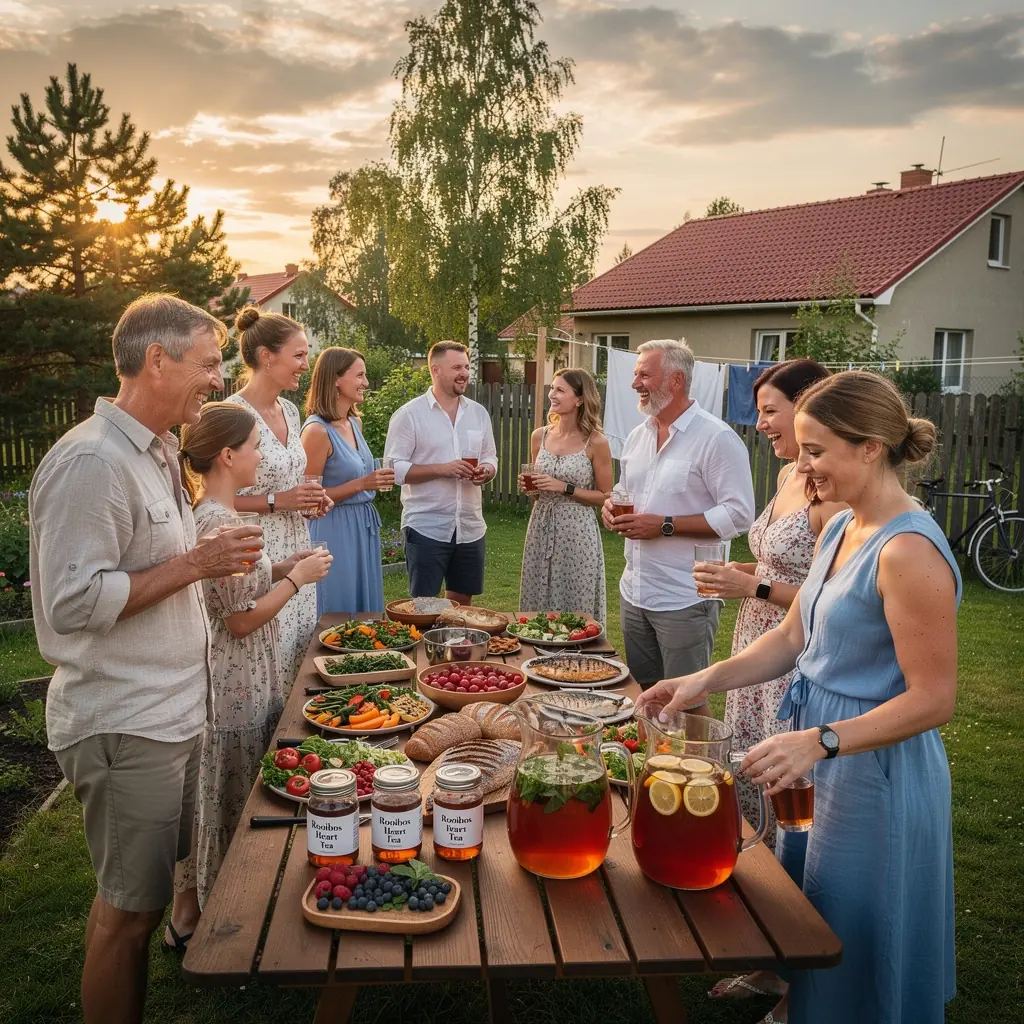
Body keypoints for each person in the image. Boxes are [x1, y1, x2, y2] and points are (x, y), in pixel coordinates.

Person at [637, 370, 961, 1024]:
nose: (803, 467)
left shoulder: (907, 549)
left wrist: (822, 741)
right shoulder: (844, 528)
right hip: (816, 752)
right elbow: (793, 635)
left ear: (870, 447)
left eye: (817, 451)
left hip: (871, 768)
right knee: (810, 904)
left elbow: (934, 699)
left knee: (856, 928)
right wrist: (706, 679)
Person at [28, 294, 263, 1024]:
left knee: (145, 902)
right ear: (155, 360)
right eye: (207, 363)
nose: (218, 380)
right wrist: (197, 564)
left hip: (167, 712)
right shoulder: (92, 462)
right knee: (127, 917)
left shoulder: (156, 451)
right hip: (125, 720)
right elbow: (71, 603)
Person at [697, 360, 844, 1011]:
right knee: (750, 797)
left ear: (807, 406)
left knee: (794, 817)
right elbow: (776, 557)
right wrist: (746, 579)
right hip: (756, 646)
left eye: (769, 411)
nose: (760, 424)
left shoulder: (831, 488)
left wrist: (752, 585)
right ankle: (762, 953)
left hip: (797, 660)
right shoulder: (787, 474)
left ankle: (793, 977)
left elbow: (834, 599)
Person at [168, 402, 331, 946]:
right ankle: (227, 920)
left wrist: (285, 565)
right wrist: (297, 580)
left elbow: (243, 587)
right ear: (228, 455)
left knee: (240, 785)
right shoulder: (218, 523)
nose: (263, 455)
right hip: (234, 674)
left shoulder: (230, 517)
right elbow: (238, 619)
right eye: (255, 447)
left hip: (248, 669)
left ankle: (219, 908)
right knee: (235, 792)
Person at [601, 339, 754, 703]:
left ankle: (694, 760)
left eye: (644, 375)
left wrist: (665, 525)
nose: (635, 383)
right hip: (634, 591)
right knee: (645, 699)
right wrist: (611, 506)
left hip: (684, 597)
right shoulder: (638, 436)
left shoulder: (716, 438)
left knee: (685, 706)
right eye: (635, 374)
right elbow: (624, 490)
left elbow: (739, 514)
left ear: (676, 380)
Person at [226, 306, 327, 687]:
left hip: (296, 545)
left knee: (298, 658)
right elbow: (211, 499)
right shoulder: (231, 415)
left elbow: (289, 479)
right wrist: (278, 501)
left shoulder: (289, 409)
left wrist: (311, 499)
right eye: (298, 355)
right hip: (254, 552)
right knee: (265, 662)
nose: (306, 364)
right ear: (267, 357)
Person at [384, 342, 498, 604]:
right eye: (457, 367)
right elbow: (393, 468)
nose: (465, 373)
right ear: (435, 370)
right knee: (425, 607)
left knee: (461, 607)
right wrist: (442, 469)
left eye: (467, 367)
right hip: (426, 526)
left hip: (470, 526)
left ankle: (455, 646)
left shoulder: (478, 413)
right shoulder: (409, 415)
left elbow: (491, 456)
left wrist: (487, 471)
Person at [300, 347, 393, 615]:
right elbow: (308, 498)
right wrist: (363, 484)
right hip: (333, 528)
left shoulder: (354, 423)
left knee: (365, 608)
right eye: (360, 375)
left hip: (362, 526)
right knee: (338, 606)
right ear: (336, 379)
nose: (365, 382)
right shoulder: (317, 431)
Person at [519, 368, 613, 622]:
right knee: (538, 593)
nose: (552, 394)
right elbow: (538, 493)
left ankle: (579, 654)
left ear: (580, 399)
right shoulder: (539, 436)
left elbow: (606, 496)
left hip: (577, 531)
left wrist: (565, 487)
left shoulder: (596, 442)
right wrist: (532, 489)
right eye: (552, 388)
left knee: (575, 599)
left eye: (560, 390)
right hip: (541, 524)